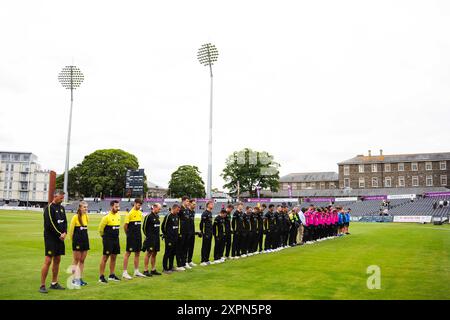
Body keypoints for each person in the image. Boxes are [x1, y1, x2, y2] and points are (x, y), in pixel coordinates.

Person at [39, 190, 67, 293]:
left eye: (63, 198)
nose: (62, 200)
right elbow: (50, 224)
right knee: (48, 260)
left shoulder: (62, 208)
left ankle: (54, 283)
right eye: (61, 198)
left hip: (60, 238)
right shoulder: (49, 208)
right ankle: (42, 285)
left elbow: (65, 222)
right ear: (55, 196)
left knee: (57, 259)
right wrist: (60, 234)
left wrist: (65, 232)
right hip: (51, 238)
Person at [98, 200, 122, 283]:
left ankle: (111, 275)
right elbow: (100, 229)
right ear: (111, 206)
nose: (117, 208)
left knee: (114, 257)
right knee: (105, 258)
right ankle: (101, 277)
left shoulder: (119, 216)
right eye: (116, 207)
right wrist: (104, 238)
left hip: (116, 239)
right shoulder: (106, 217)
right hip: (108, 240)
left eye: (118, 206)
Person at [122, 198, 145, 279]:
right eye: (138, 205)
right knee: (128, 253)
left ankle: (136, 271)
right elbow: (125, 226)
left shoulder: (139, 213)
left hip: (138, 236)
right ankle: (124, 272)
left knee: (137, 253)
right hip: (131, 237)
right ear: (135, 203)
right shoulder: (129, 213)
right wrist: (128, 235)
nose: (139, 206)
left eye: (140, 205)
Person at [68, 201, 89, 287]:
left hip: (85, 240)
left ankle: (79, 279)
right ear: (80, 208)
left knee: (82, 260)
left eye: (86, 207)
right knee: (76, 260)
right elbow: (71, 232)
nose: (86, 209)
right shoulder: (75, 217)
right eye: (84, 207)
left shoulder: (86, 216)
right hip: (77, 241)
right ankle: (74, 279)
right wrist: (74, 241)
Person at [142, 203, 162, 277]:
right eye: (159, 209)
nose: (160, 210)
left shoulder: (157, 216)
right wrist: (148, 236)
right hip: (150, 239)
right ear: (154, 207)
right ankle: (145, 270)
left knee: (155, 253)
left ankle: (153, 269)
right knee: (149, 253)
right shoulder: (148, 216)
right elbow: (144, 228)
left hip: (156, 238)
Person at [161, 204, 180, 273]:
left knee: (173, 253)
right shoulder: (168, 216)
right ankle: (165, 268)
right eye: (177, 210)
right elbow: (163, 227)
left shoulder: (177, 216)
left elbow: (177, 227)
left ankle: (171, 267)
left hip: (175, 238)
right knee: (167, 253)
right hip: (169, 238)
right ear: (174, 208)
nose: (178, 211)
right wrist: (167, 235)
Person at [176, 196, 190, 271]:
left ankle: (184, 263)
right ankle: (179, 265)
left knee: (185, 248)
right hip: (181, 232)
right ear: (183, 201)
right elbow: (177, 221)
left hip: (187, 231)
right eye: (187, 201)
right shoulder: (180, 209)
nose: (188, 203)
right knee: (180, 248)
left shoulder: (187, 209)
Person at [199, 200, 214, 266]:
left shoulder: (210, 213)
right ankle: (203, 260)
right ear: (208, 205)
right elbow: (202, 223)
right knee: (205, 246)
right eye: (211, 204)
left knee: (209, 246)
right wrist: (202, 232)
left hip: (210, 232)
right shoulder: (205, 213)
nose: (212, 205)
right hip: (206, 232)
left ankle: (207, 259)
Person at [186, 199, 197, 267]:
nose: (195, 205)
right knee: (186, 247)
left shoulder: (193, 212)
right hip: (187, 232)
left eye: (195, 204)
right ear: (189, 204)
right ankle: (185, 261)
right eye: (193, 204)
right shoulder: (187, 211)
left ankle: (190, 260)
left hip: (192, 232)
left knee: (191, 247)